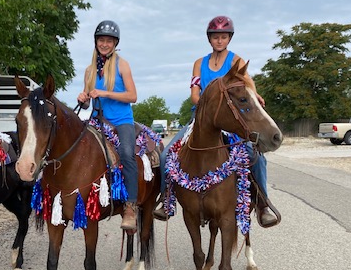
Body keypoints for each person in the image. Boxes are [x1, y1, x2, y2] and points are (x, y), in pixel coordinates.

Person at [153, 16, 279, 227]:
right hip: (201, 119)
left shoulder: (236, 61)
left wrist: (254, 97)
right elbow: (194, 94)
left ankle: (263, 204)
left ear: (229, 38)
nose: (219, 41)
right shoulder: (199, 64)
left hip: (230, 120)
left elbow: (248, 84)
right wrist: (208, 107)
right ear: (209, 39)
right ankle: (166, 200)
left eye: (223, 37)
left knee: (254, 156)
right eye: (215, 37)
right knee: (167, 155)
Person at [77, 20, 139, 231]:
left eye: (109, 41)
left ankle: (130, 206)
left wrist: (104, 93)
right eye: (101, 40)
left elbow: (133, 96)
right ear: (96, 42)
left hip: (121, 121)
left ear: (115, 43)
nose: (104, 44)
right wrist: (83, 98)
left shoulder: (123, 65)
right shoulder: (89, 70)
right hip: (96, 120)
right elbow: (87, 103)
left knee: (127, 153)